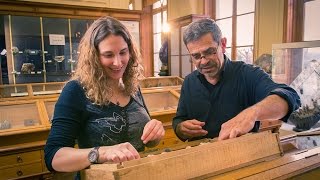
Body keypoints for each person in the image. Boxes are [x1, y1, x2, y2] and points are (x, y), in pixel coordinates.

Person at [44, 16, 165, 173]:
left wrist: (155, 136)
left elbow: (145, 142)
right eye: (108, 55)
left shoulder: (132, 86)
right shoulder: (76, 90)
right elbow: (53, 157)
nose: (118, 62)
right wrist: (100, 152)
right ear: (94, 57)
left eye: (123, 52)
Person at [172, 18, 301, 141]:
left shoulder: (248, 74)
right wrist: (181, 128)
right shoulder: (189, 82)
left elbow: (290, 96)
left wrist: (253, 113)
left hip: (241, 154)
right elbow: (179, 119)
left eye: (210, 51)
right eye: (196, 56)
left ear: (222, 44)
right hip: (201, 155)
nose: (204, 61)